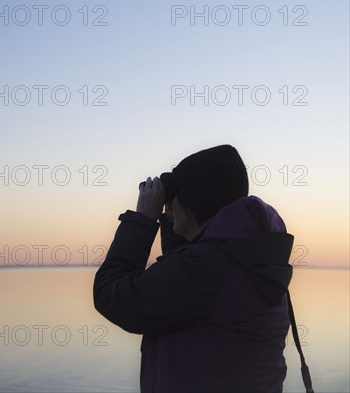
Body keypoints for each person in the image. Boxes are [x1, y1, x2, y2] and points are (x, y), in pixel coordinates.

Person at [93, 145, 294, 393]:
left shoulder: (206, 268)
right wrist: (177, 228)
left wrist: (142, 220)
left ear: (193, 200)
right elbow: (179, 293)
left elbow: (110, 294)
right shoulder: (246, 257)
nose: (171, 206)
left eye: (175, 196)